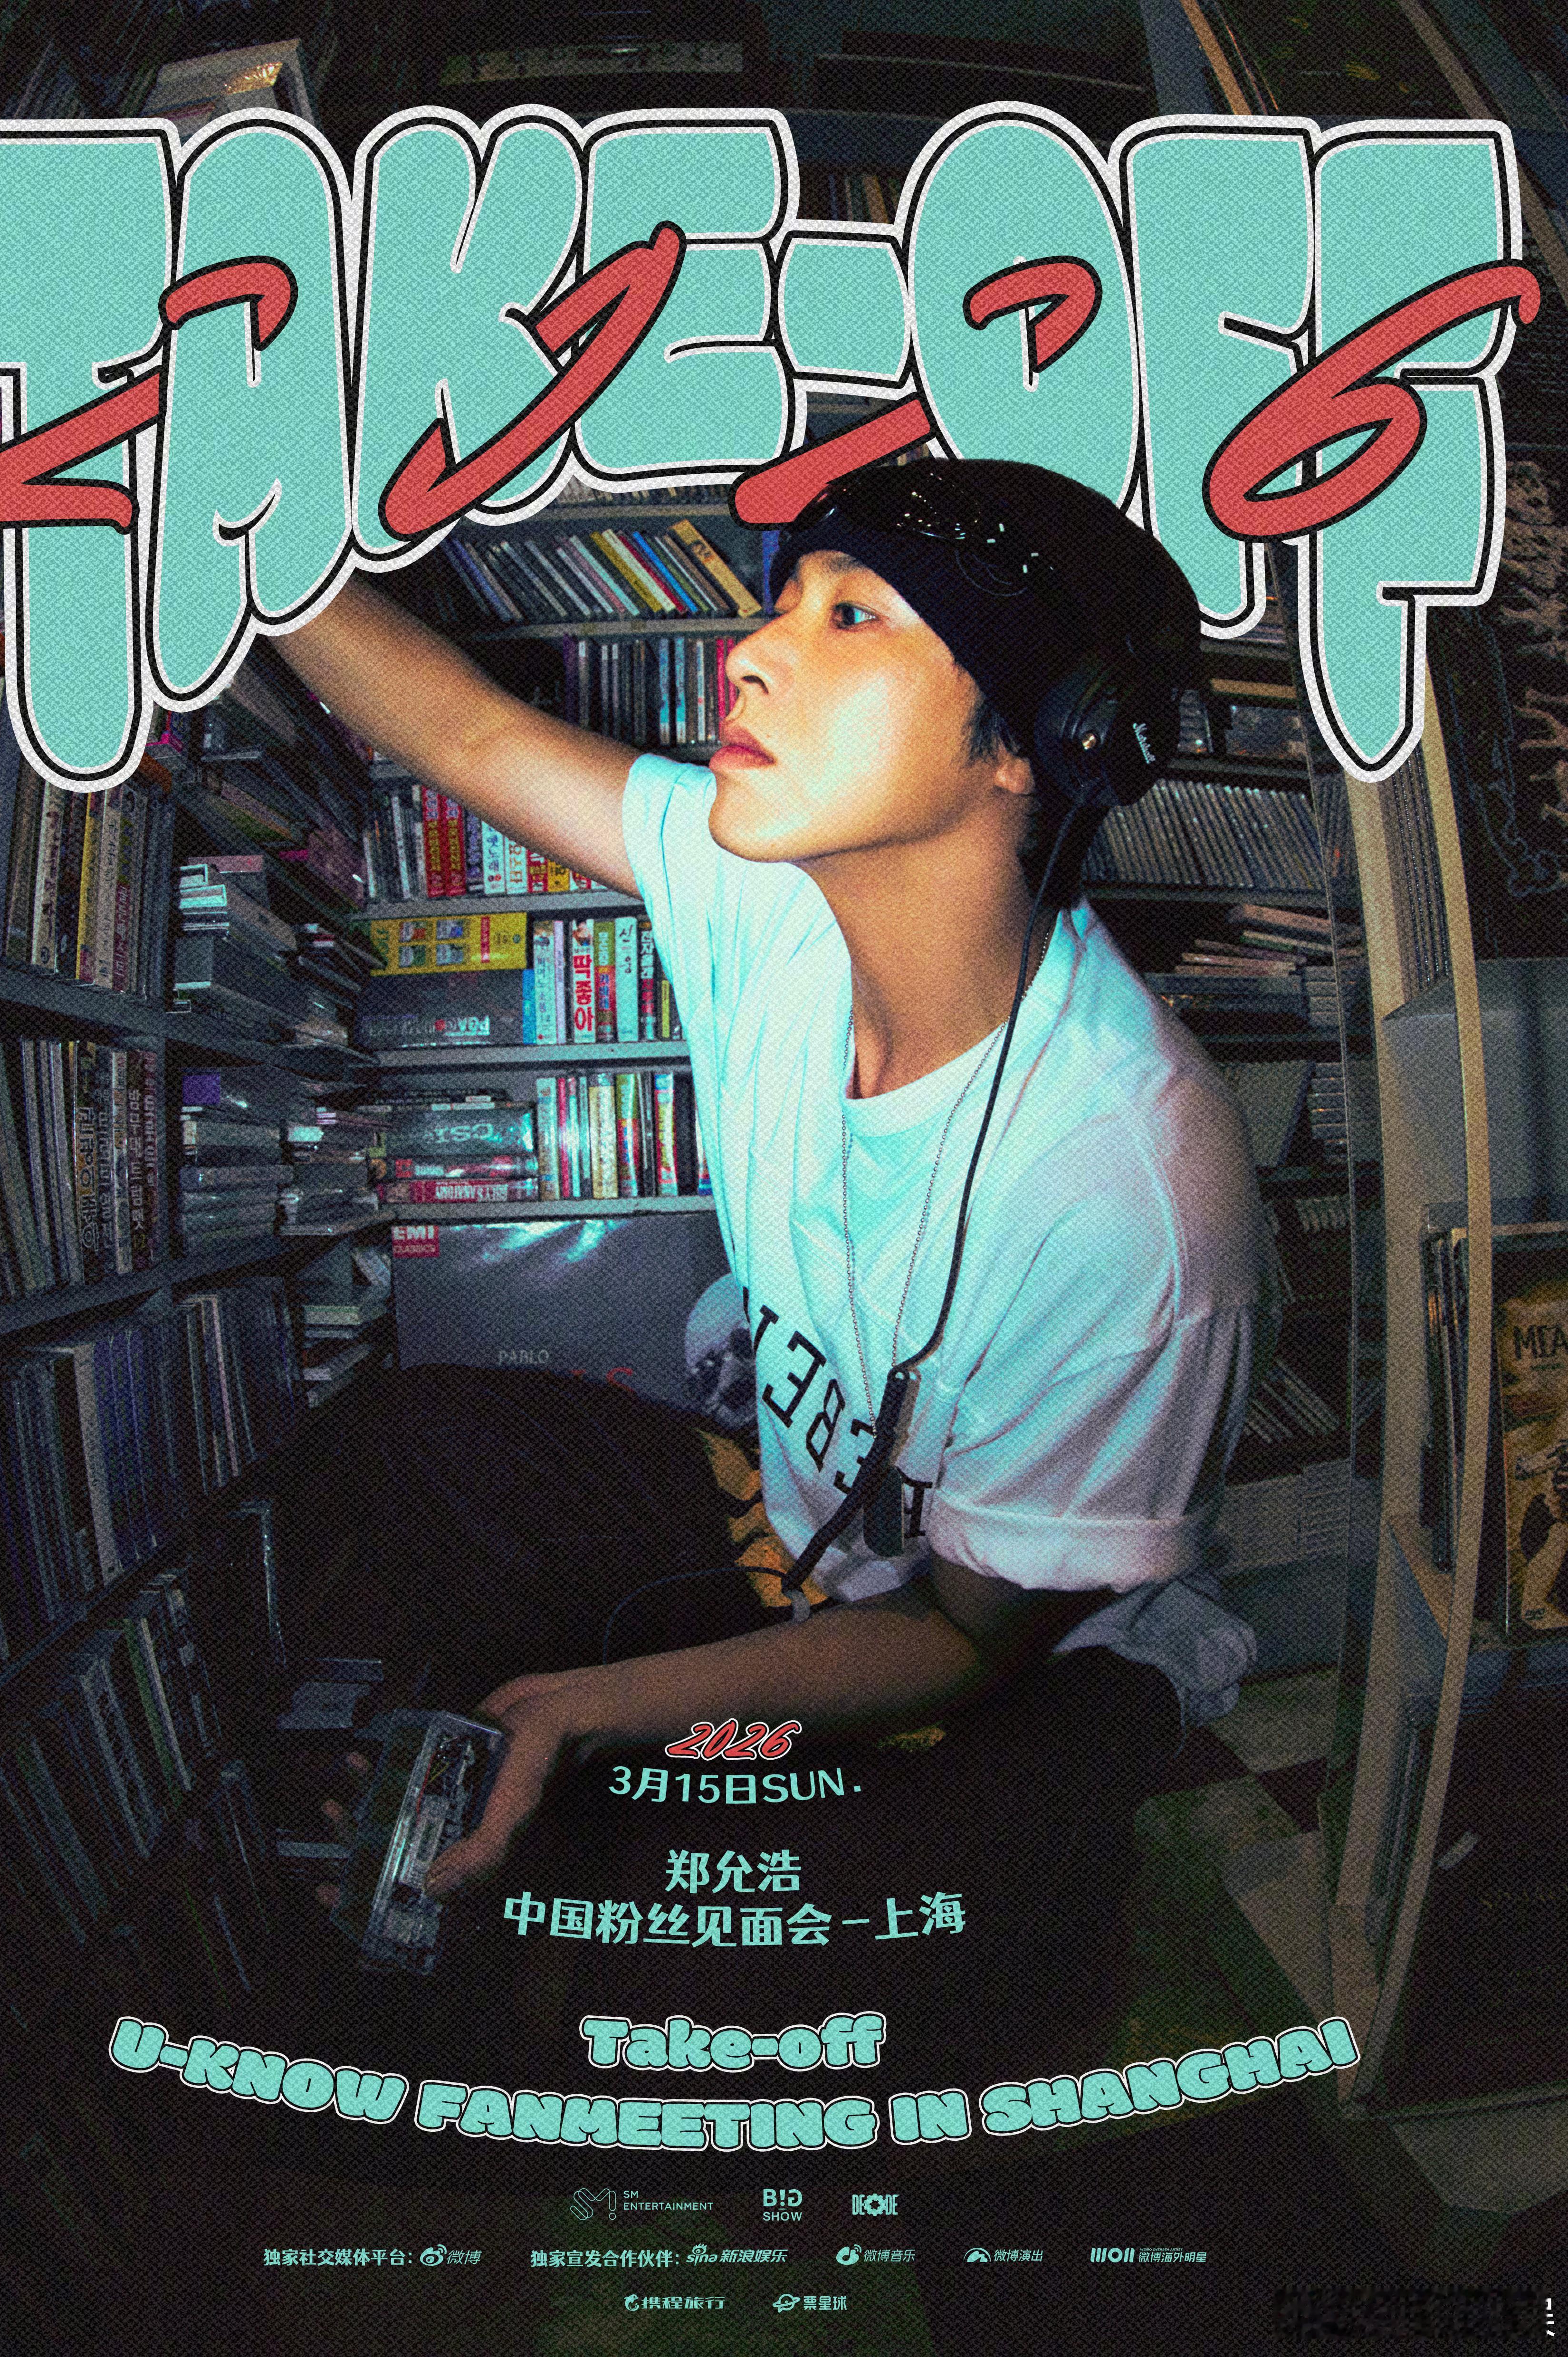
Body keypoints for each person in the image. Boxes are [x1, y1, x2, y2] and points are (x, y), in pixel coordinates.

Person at [282, 459, 1276, 2019]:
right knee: (418, 1442)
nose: (746, 651)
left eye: (851, 617)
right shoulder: (769, 897)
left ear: (1035, 742)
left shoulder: (1125, 1196)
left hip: (1027, 1661)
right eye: (780, 604)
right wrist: (233, 542)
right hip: (800, 1548)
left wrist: (592, 1710)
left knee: (808, 1962)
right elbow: (465, 733)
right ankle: (542, 1815)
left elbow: (963, 1640)